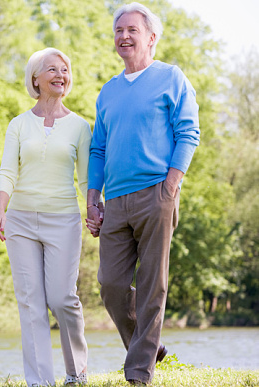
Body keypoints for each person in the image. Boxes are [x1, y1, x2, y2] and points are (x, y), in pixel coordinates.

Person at [86, 2, 200, 385]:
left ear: (151, 37)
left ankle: (138, 372)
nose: (124, 36)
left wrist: (172, 183)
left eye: (132, 30)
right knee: (111, 284)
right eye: (119, 30)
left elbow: (188, 131)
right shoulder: (109, 91)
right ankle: (149, 345)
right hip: (115, 201)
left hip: (157, 193)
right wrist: (92, 196)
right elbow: (98, 148)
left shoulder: (171, 77)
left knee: (153, 283)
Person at [0, 47, 90, 386]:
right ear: (35, 78)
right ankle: (39, 382)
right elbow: (8, 170)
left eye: (64, 69)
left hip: (64, 219)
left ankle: (76, 373)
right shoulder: (18, 124)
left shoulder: (80, 126)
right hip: (21, 220)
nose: (60, 74)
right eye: (52, 69)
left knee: (63, 298)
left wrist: (95, 207)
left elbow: (86, 179)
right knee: (31, 302)